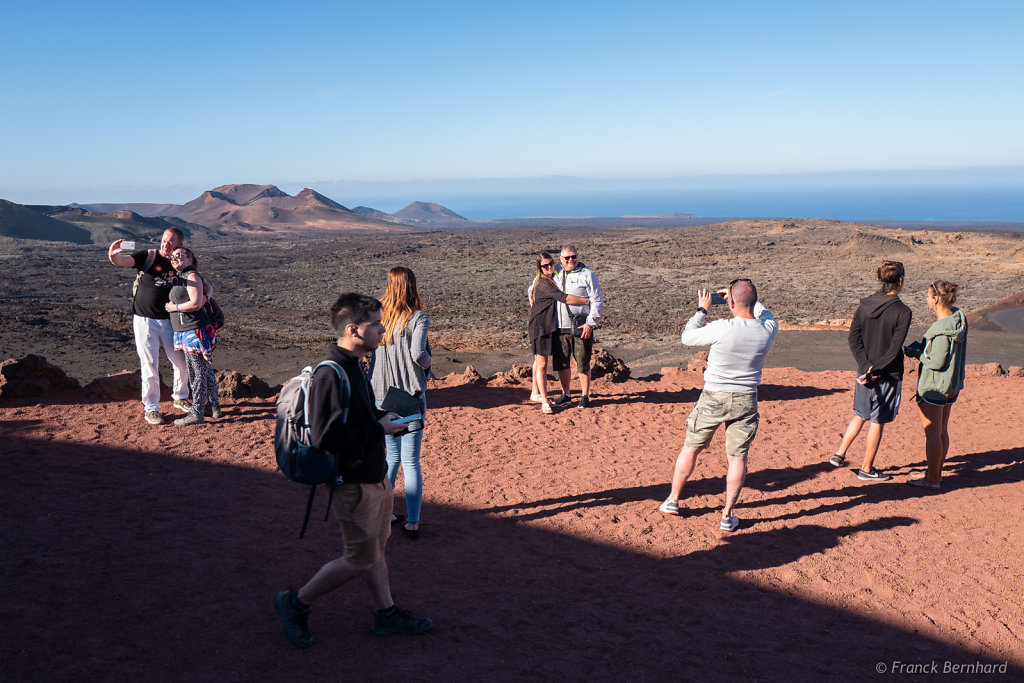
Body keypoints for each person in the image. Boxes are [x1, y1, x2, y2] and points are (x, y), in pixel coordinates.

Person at [274, 293, 432, 648]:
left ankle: (387, 614)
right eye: (376, 323)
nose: (382, 329)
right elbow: (327, 437)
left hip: (373, 480)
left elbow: (358, 418)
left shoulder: (356, 365)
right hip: (352, 485)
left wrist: (382, 419)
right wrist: (380, 430)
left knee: (374, 551)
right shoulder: (331, 374)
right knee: (359, 558)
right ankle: (295, 602)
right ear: (353, 329)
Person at [659, 279, 779, 532]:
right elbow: (764, 312)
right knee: (737, 458)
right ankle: (727, 514)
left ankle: (673, 500)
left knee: (691, 448)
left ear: (731, 302)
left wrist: (702, 309)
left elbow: (687, 337)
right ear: (753, 302)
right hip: (746, 398)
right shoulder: (768, 328)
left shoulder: (722, 327)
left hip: (713, 396)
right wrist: (743, 300)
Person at [828, 260, 912, 482]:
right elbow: (895, 348)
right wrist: (877, 370)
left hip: (863, 374)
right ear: (900, 282)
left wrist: (865, 367)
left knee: (860, 414)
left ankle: (839, 454)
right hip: (887, 375)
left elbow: (853, 338)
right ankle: (866, 469)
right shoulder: (903, 311)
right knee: (877, 420)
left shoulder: (864, 305)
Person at [370, 267, 432, 540]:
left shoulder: (377, 317)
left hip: (381, 397)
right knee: (411, 461)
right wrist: (429, 364)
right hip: (409, 396)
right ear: (412, 286)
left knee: (391, 458)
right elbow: (418, 353)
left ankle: (385, 513)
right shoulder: (417, 317)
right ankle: (414, 522)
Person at [107, 229, 190, 425]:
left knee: (180, 361)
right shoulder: (148, 256)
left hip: (171, 320)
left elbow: (195, 279)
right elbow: (123, 261)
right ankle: (151, 407)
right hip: (144, 320)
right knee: (149, 364)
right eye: (164, 241)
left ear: (178, 245)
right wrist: (113, 255)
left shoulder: (181, 262)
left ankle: (180, 397)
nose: (165, 245)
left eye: (170, 243)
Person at [903, 280, 968, 490]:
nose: (926, 300)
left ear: (936, 299)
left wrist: (917, 354)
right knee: (942, 431)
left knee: (932, 433)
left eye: (928, 296)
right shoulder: (958, 319)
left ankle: (932, 480)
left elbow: (937, 362)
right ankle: (935, 472)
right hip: (951, 384)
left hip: (935, 386)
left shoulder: (941, 330)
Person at [527, 253, 590, 414]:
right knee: (541, 364)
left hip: (550, 326)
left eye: (551, 264)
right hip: (541, 327)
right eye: (545, 265)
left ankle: (535, 392)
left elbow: (531, 287)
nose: (549, 267)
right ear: (539, 268)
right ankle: (545, 402)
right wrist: (586, 300)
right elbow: (564, 298)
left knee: (539, 361)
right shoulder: (544, 283)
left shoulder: (552, 275)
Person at [164, 248, 220, 426]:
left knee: (197, 372)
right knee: (204, 369)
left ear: (190, 259)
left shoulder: (191, 276)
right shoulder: (184, 276)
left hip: (193, 330)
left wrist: (175, 308)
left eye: (179, 255)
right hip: (187, 330)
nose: (175, 258)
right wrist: (207, 292)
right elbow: (205, 292)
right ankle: (214, 406)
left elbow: (196, 303)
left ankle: (197, 412)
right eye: (172, 256)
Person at [549, 245, 604, 409]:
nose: (571, 260)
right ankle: (566, 394)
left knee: (582, 362)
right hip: (559, 326)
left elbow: (597, 301)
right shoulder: (556, 271)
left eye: (574, 256)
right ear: (561, 259)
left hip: (580, 326)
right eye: (567, 258)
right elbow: (540, 282)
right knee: (562, 363)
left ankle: (585, 395)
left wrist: (590, 323)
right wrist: (531, 290)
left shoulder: (587, 274)